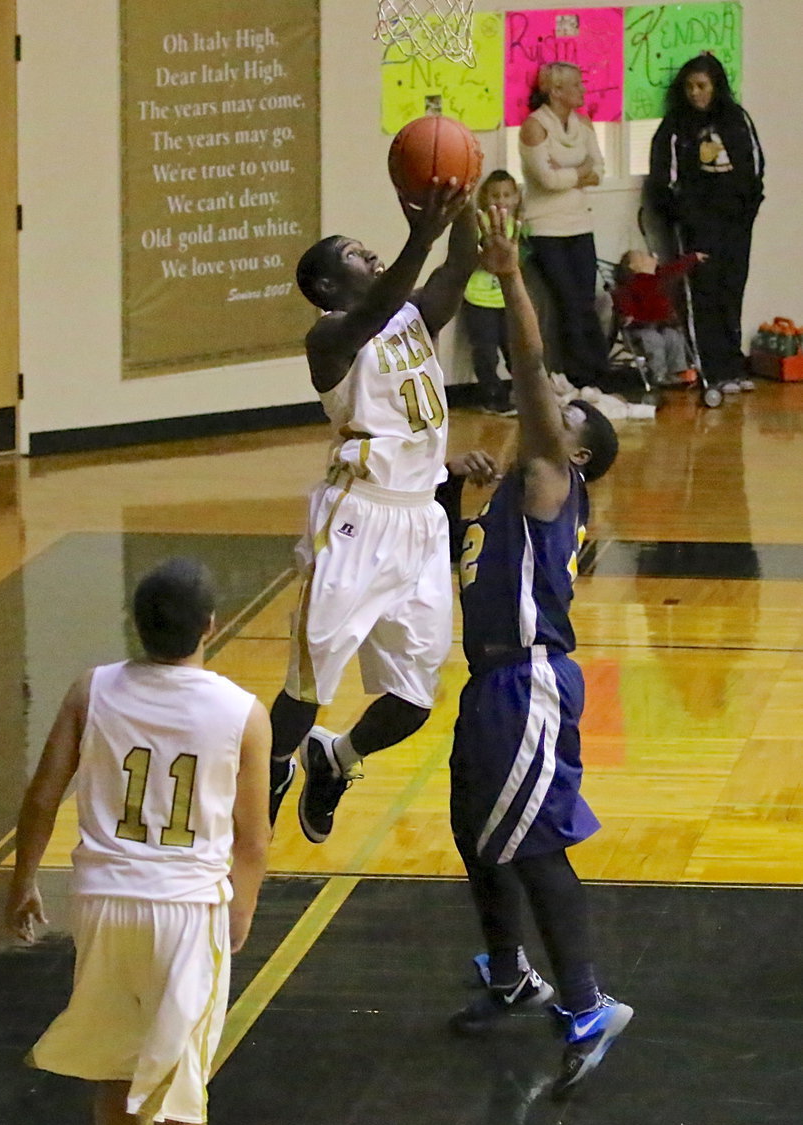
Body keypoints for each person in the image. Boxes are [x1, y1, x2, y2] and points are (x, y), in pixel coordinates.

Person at [5, 558, 272, 1125]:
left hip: (101, 902)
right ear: (211, 626)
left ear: (135, 624)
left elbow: (43, 795)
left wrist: (23, 881)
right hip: (185, 909)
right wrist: (243, 909)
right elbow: (253, 834)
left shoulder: (89, 689)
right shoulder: (242, 712)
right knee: (183, 1087)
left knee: (116, 1053)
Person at [446, 206, 632, 1099]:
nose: (549, 395)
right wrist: (455, 494)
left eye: (565, 407)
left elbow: (526, 367)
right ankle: (511, 972)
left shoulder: (557, 472)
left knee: (535, 845)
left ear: (580, 447)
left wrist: (510, 275)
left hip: (528, 683)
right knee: (477, 837)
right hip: (488, 682)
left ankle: (590, 1005)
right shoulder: (511, 495)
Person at [269, 182, 478, 844]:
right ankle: (269, 772)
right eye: (358, 255)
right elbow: (381, 304)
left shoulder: (414, 314)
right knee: (310, 683)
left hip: (420, 521)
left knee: (416, 697)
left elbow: (458, 266)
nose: (374, 256)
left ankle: (337, 760)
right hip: (356, 518)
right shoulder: (329, 340)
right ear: (330, 288)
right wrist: (422, 231)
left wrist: (465, 194)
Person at [647, 53, 764, 394]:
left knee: (732, 291)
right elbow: (664, 181)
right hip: (697, 226)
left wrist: (747, 211)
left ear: (716, 87)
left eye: (702, 86)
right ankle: (711, 370)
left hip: (736, 224)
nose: (695, 94)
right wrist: (685, 217)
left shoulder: (737, 119)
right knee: (703, 296)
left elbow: (754, 167)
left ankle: (734, 366)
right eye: (689, 87)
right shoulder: (675, 126)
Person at [519, 63, 631, 394]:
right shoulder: (535, 126)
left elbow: (598, 170)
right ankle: (577, 375)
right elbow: (546, 179)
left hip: (580, 224)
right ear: (555, 91)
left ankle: (598, 372)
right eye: (577, 86)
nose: (583, 91)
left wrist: (572, 173)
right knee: (566, 301)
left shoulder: (583, 124)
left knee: (587, 299)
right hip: (546, 229)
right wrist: (578, 174)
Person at [461, 169, 522, 417]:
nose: (501, 200)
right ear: (485, 197)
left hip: (506, 300)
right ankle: (492, 397)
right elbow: (471, 257)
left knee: (514, 349)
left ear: (516, 197)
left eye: (507, 194)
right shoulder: (480, 223)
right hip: (479, 299)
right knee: (486, 352)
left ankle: (522, 395)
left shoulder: (516, 227)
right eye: (495, 194)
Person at [613, 247, 708, 386]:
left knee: (674, 337)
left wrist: (693, 257)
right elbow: (622, 298)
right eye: (642, 255)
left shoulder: (659, 277)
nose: (650, 256)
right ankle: (659, 374)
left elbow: (675, 269)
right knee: (654, 340)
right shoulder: (631, 283)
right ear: (633, 266)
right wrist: (627, 314)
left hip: (661, 325)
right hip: (640, 328)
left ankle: (678, 372)